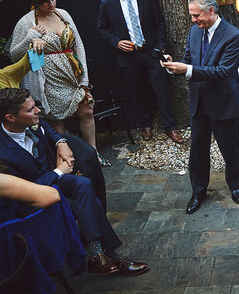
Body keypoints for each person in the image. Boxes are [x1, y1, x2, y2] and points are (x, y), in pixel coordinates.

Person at [0, 88, 148, 275]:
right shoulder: (3, 153)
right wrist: (58, 171)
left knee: (83, 184)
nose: (38, 111)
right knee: (90, 203)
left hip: (54, 183)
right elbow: (26, 191)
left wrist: (61, 142)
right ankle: (112, 257)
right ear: (11, 118)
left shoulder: (33, 123)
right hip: (32, 203)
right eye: (30, 110)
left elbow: (50, 132)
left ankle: (97, 257)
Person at [160, 0, 239, 214]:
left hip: (224, 103)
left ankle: (234, 185)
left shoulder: (233, 36)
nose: (193, 20)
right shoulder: (194, 32)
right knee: (197, 151)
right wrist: (174, 66)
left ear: (211, 10)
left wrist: (186, 69)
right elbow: (189, 62)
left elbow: (223, 71)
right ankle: (198, 192)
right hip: (199, 103)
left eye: (197, 15)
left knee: (230, 149)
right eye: (191, 15)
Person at [8, 0, 109, 166]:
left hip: (71, 75)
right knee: (57, 121)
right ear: (36, 3)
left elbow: (78, 45)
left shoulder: (63, 14)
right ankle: (71, 158)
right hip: (47, 80)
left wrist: (84, 77)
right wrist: (30, 37)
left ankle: (93, 154)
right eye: (46, 2)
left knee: (87, 111)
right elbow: (14, 54)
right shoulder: (26, 22)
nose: (51, 4)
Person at [96, 0, 183, 144]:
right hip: (128, 56)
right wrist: (117, 43)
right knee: (137, 92)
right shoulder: (108, 2)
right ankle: (145, 125)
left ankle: (171, 127)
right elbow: (102, 28)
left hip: (151, 52)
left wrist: (160, 47)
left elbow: (159, 22)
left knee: (162, 91)